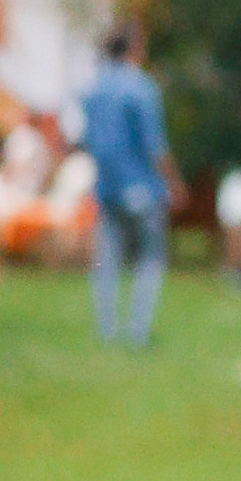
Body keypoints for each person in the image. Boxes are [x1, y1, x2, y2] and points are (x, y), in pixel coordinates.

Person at [81, 20, 179, 349]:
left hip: (106, 187)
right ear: (134, 47)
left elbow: (88, 140)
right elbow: (155, 146)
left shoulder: (94, 89)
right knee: (150, 257)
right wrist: (173, 182)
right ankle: (138, 331)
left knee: (105, 261)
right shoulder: (140, 88)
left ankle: (106, 330)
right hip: (141, 187)